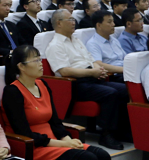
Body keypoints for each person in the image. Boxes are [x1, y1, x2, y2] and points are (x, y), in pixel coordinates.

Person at [45, 9, 128, 150]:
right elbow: (64, 71)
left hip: (91, 77)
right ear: (59, 23)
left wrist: (98, 69)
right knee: (110, 93)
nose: (74, 22)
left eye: (73, 19)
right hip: (75, 84)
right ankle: (106, 134)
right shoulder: (55, 45)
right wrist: (92, 72)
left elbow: (91, 60)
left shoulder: (76, 40)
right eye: (70, 20)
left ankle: (122, 131)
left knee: (125, 90)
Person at [85, 11, 126, 79]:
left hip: (126, 71)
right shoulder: (93, 44)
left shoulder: (114, 40)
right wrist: (124, 70)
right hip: (114, 75)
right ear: (99, 25)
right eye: (109, 22)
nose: (113, 24)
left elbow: (125, 58)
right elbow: (98, 64)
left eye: (113, 21)